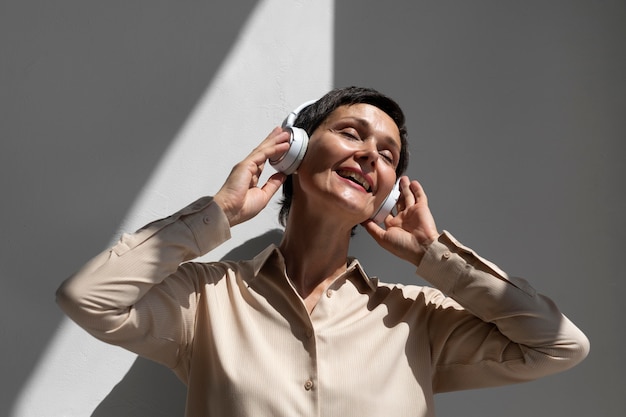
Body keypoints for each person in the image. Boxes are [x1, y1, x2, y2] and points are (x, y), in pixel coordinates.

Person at [56, 86, 589, 417]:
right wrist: (218, 213)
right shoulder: (207, 299)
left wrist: (434, 255)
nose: (370, 157)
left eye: (387, 154)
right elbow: (89, 298)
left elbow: (559, 346)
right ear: (296, 150)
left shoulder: (416, 319)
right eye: (351, 134)